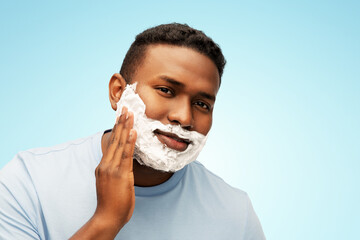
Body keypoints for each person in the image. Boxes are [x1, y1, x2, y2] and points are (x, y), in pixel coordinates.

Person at [0, 23, 265, 239]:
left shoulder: (235, 213)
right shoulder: (28, 182)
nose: (184, 118)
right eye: (166, 90)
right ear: (118, 92)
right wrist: (106, 221)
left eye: (201, 104)